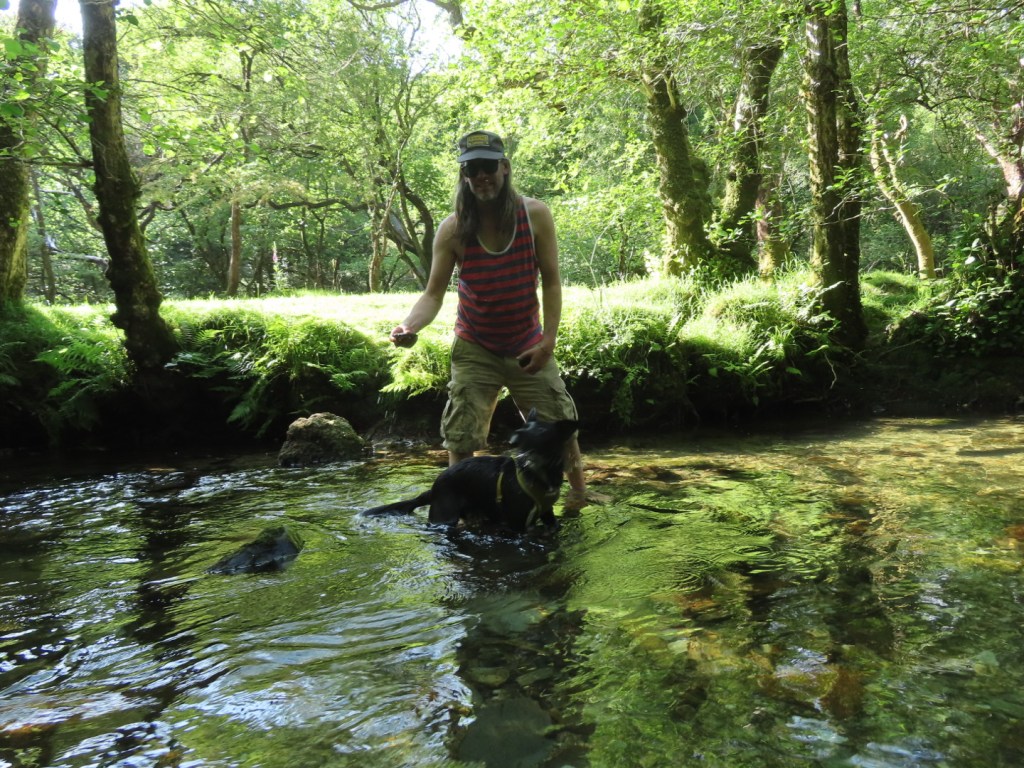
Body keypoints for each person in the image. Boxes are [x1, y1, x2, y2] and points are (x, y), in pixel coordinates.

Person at [389, 129, 588, 508]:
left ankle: (579, 496)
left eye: (488, 166)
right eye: (472, 169)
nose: (481, 176)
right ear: (464, 175)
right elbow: (433, 294)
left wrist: (547, 342)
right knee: (461, 436)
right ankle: (464, 510)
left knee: (560, 427)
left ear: (505, 168)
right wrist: (409, 325)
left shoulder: (535, 215)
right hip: (475, 348)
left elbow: (551, 282)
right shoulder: (452, 230)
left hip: (529, 344)